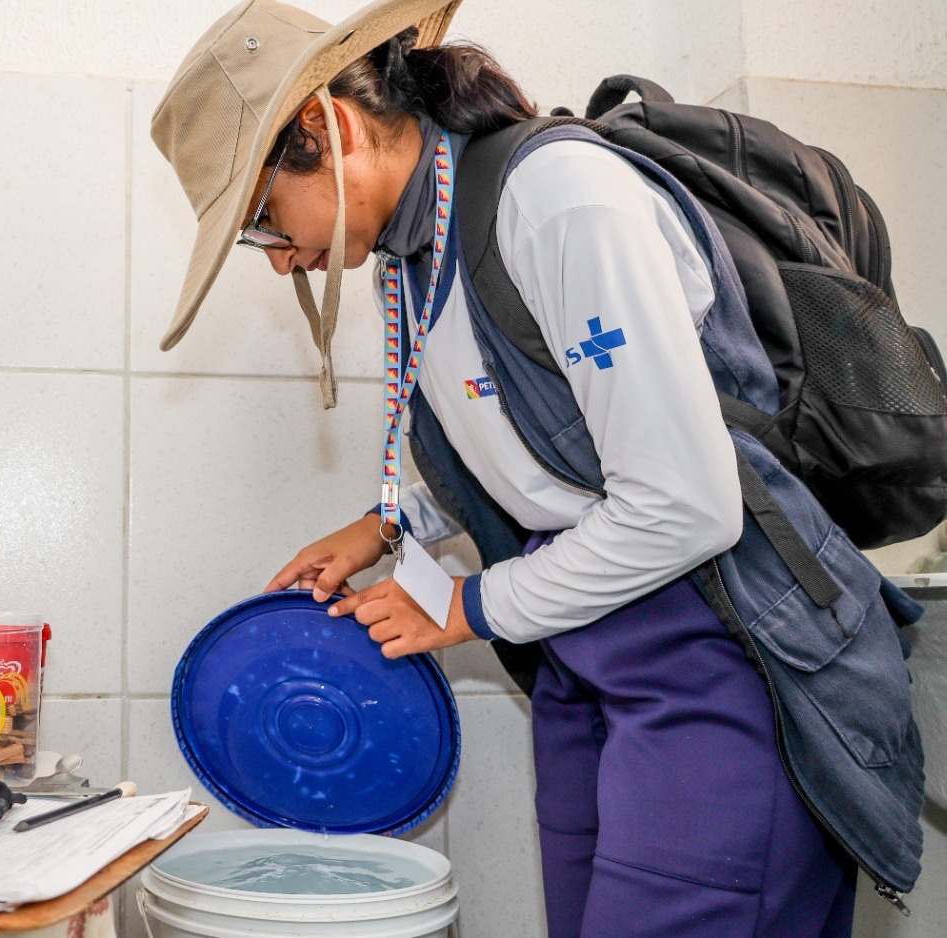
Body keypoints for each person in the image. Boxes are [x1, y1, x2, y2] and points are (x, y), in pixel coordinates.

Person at [150, 2, 925, 936]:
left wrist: (463, 608)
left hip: (724, 649)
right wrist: (390, 526)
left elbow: (683, 506)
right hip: (583, 658)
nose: (277, 264)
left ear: (329, 127)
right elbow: (537, 446)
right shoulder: (418, 247)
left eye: (264, 221)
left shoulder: (558, 196)